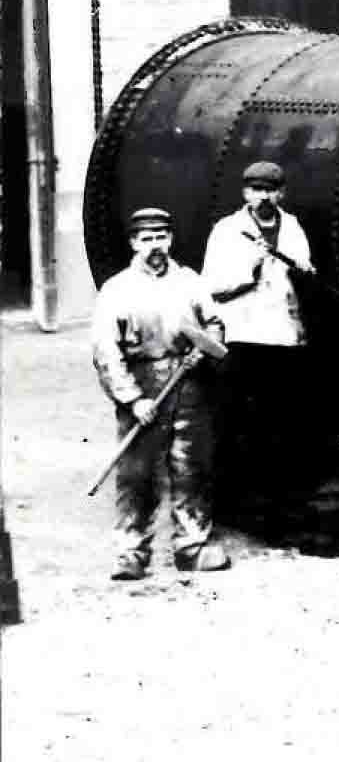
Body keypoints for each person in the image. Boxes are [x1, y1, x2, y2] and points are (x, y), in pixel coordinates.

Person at [90, 207, 232, 579]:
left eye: (161, 237)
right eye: (147, 238)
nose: (156, 245)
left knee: (191, 468)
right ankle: (131, 552)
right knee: (137, 473)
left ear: (170, 240)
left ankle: (192, 546)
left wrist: (208, 344)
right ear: (134, 243)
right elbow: (106, 352)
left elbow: (214, 323)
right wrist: (131, 398)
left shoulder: (190, 282)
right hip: (143, 387)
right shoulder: (117, 290)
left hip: (188, 383)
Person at [203, 161, 320, 501]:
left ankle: (277, 499)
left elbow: (301, 279)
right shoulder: (227, 230)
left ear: (281, 193)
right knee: (240, 418)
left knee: (280, 419)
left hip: (284, 337)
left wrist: (303, 271)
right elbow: (212, 286)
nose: (264, 197)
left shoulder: (293, 227)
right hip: (244, 336)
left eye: (271, 190)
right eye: (257, 190)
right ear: (245, 193)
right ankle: (235, 498)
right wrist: (249, 270)